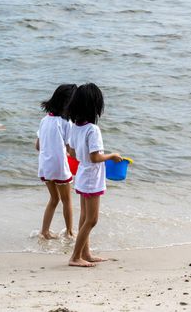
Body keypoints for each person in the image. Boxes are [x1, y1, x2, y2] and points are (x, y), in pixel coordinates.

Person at [67, 83, 122, 267]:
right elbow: (96, 156)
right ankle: (75, 257)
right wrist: (112, 156)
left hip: (83, 173)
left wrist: (85, 157)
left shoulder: (75, 127)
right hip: (92, 177)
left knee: (84, 216)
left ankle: (86, 253)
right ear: (95, 107)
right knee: (92, 219)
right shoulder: (93, 130)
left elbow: (72, 152)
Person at [36, 84, 77, 240]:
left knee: (54, 199)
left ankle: (44, 232)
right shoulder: (66, 122)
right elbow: (71, 150)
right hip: (59, 166)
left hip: (45, 166)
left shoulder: (45, 120)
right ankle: (69, 232)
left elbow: (38, 146)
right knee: (67, 200)